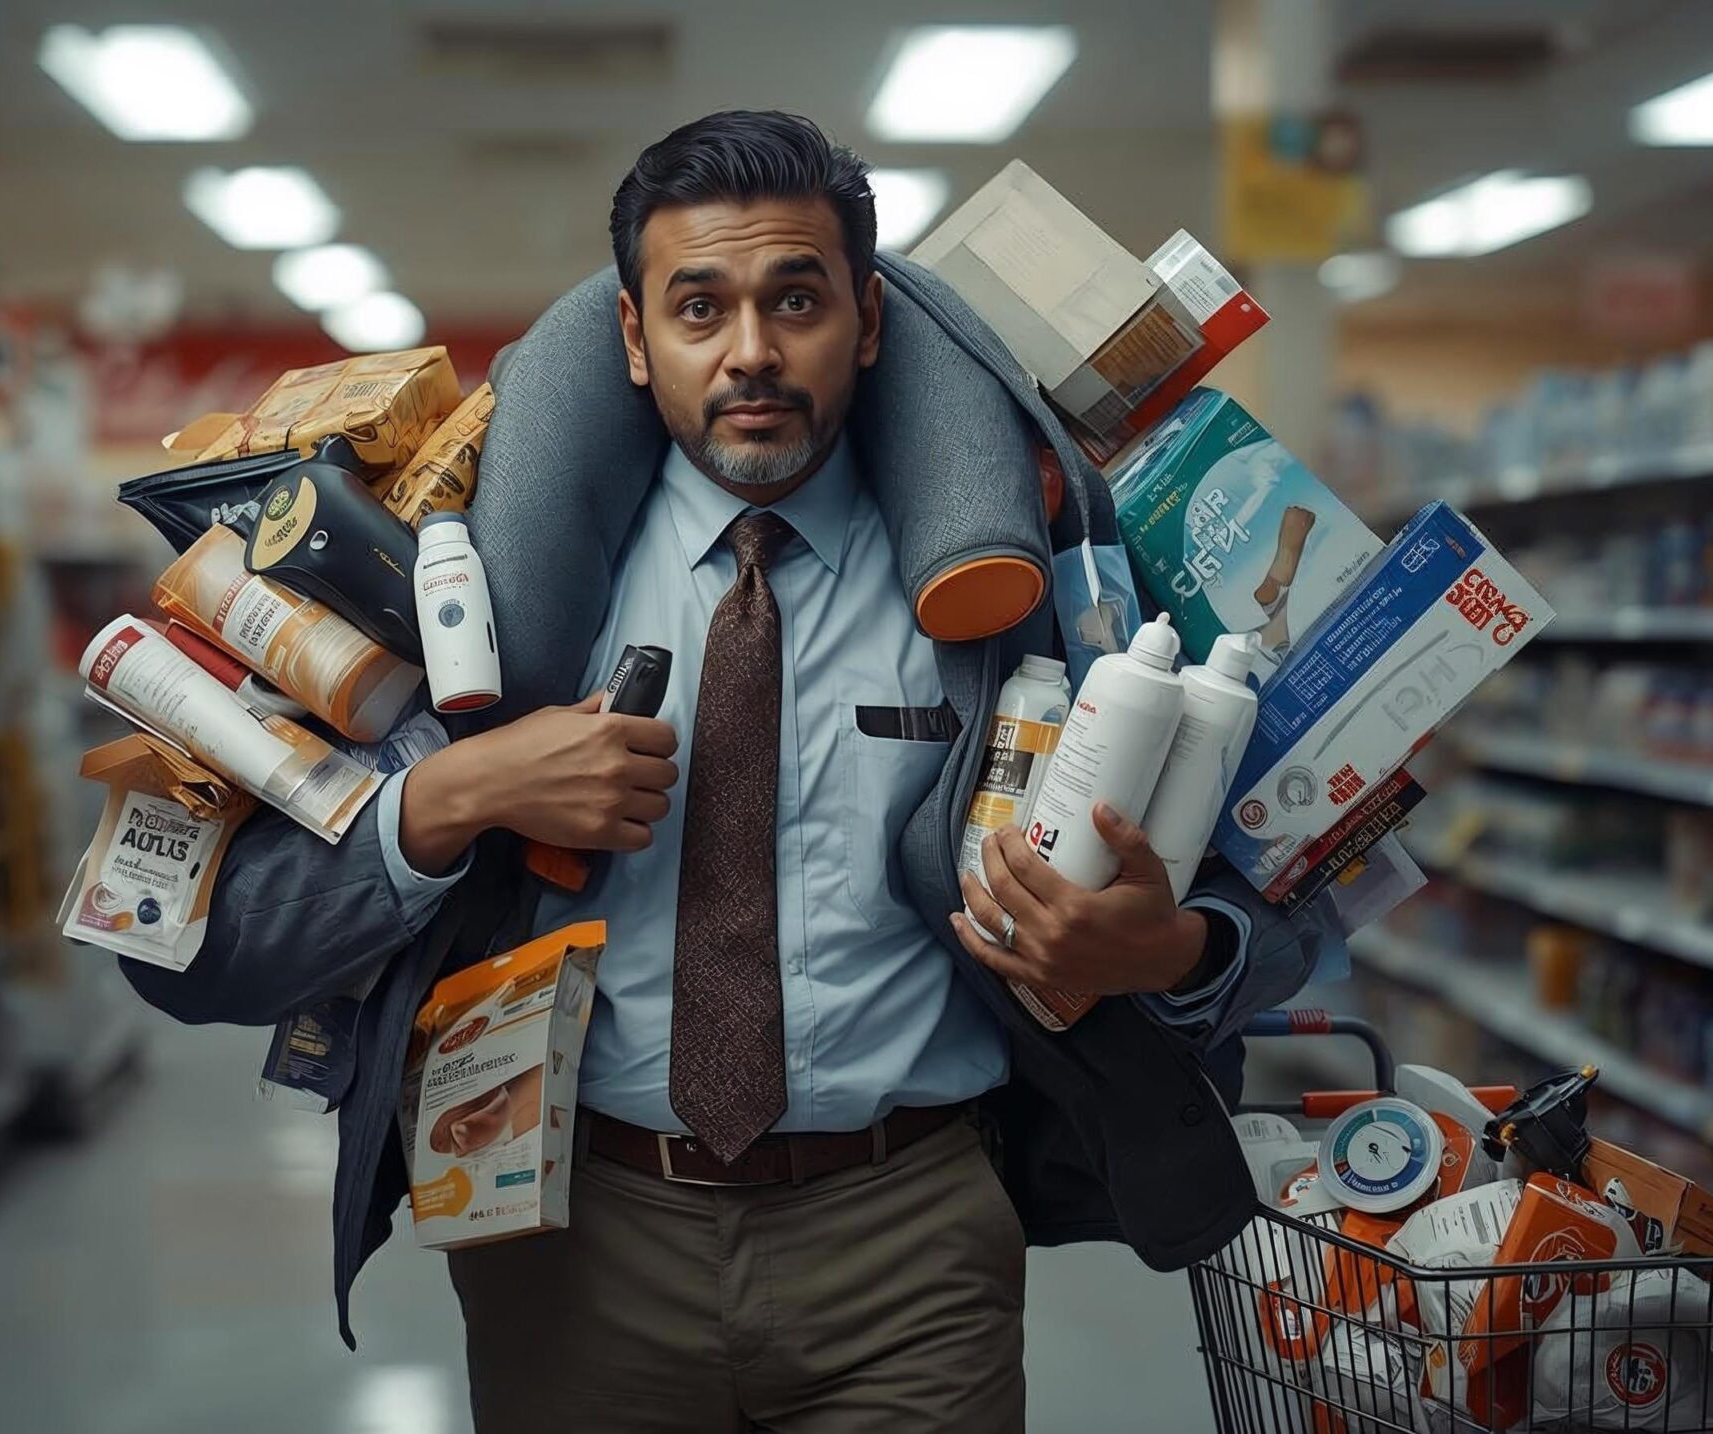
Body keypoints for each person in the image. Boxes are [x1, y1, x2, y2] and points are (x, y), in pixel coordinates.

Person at [121, 111, 1338, 1433]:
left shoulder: (1026, 584)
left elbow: (1291, 905)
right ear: (636, 341)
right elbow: (186, 955)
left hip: (911, 1240)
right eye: (699, 307)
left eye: (795, 299)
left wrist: (1159, 949)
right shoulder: (469, 589)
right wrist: (461, 793)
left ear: (866, 322)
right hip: (576, 1237)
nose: (751, 351)